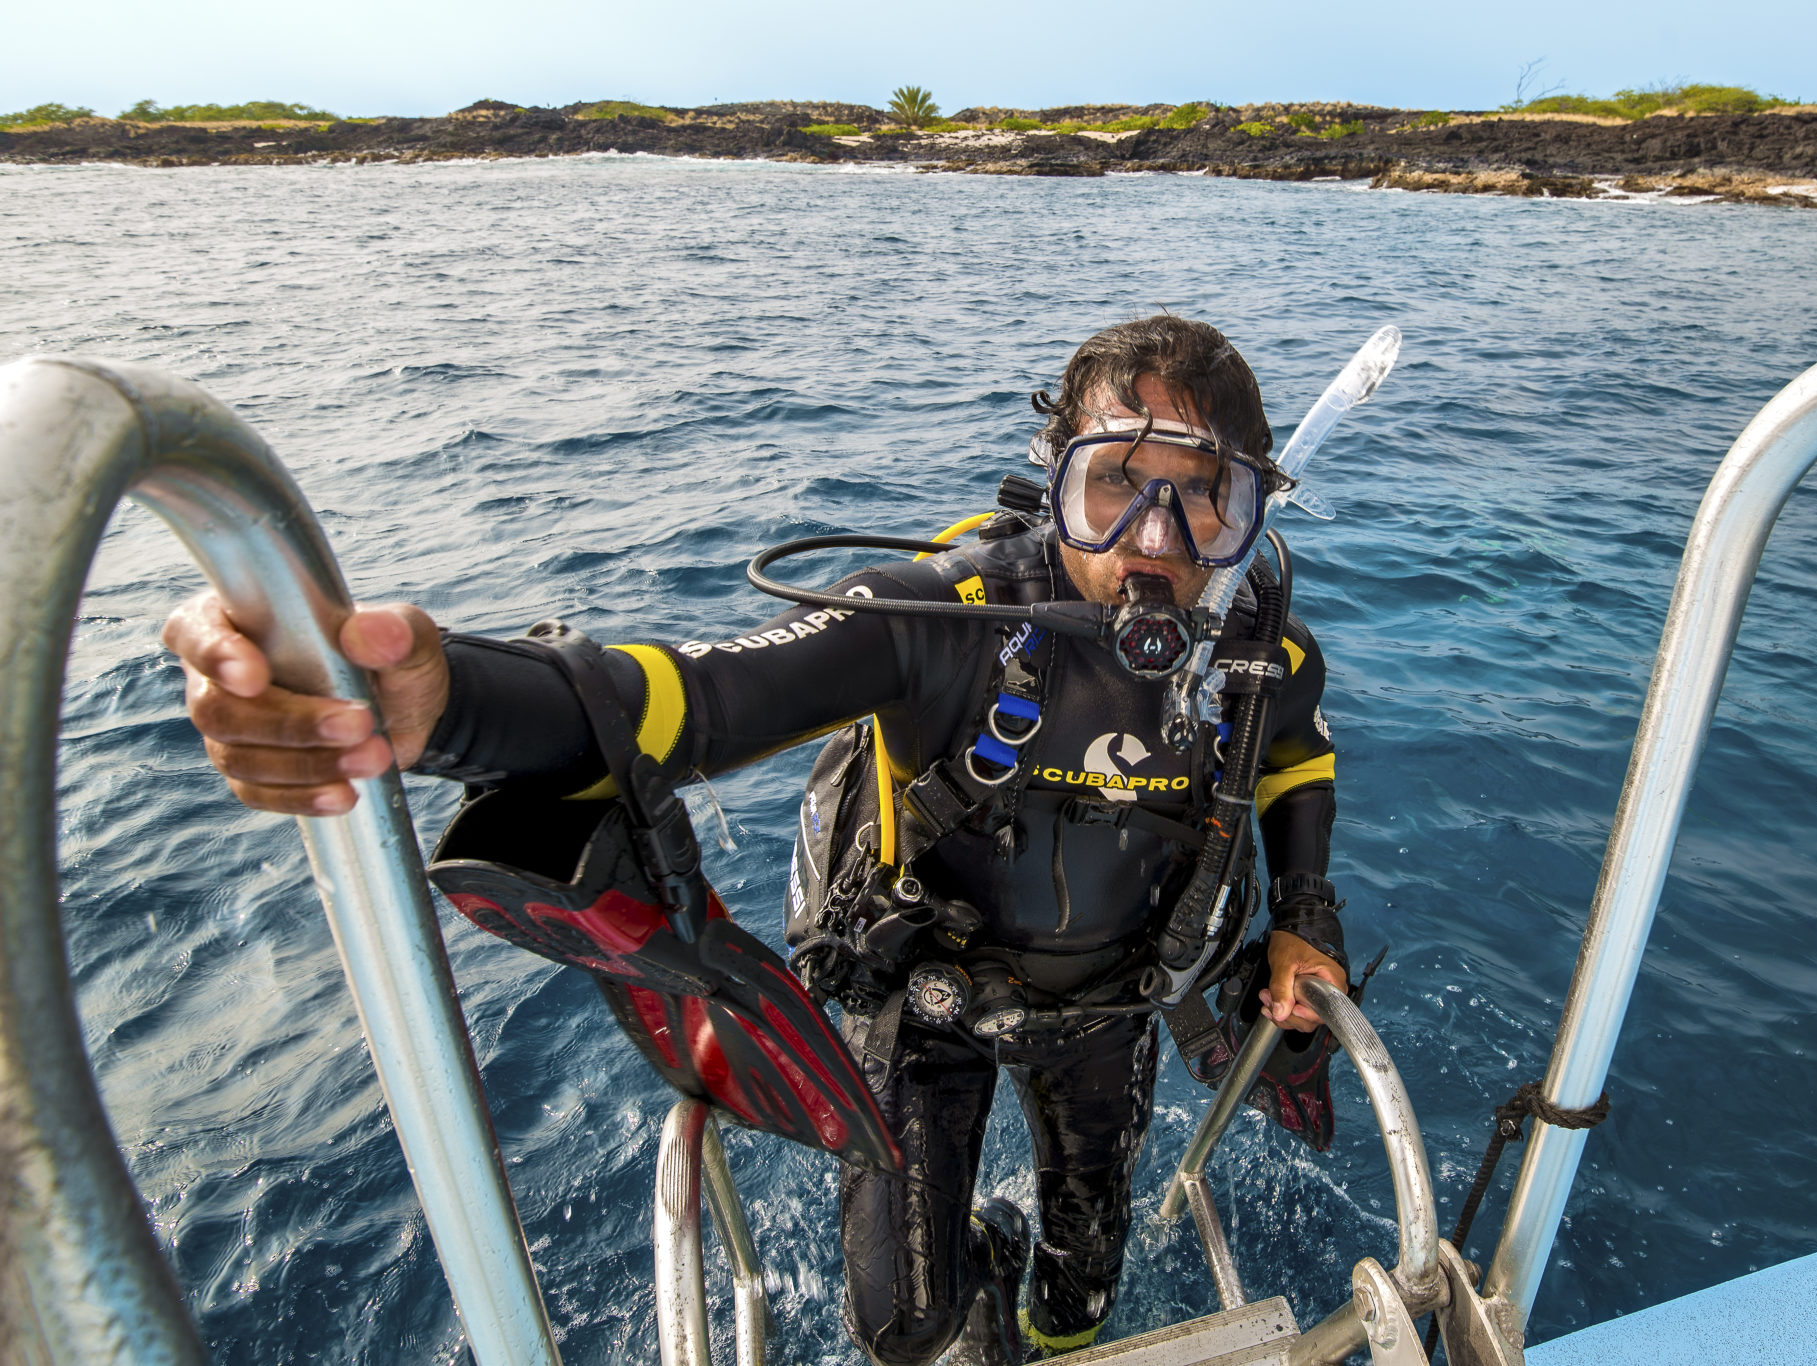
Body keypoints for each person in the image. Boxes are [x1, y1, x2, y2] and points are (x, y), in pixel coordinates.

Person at [165, 315, 1350, 1364]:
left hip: (1109, 1009)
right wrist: (442, 700)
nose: (1156, 536)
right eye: (1115, 486)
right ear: (1054, 486)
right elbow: (685, 697)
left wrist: (1303, 917)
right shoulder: (941, 620)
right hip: (924, 999)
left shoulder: (1253, 654)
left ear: (1250, 513)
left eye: (1204, 495)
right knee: (903, 1327)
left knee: (1083, 1292)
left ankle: (1047, 1336)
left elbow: (1296, 754)